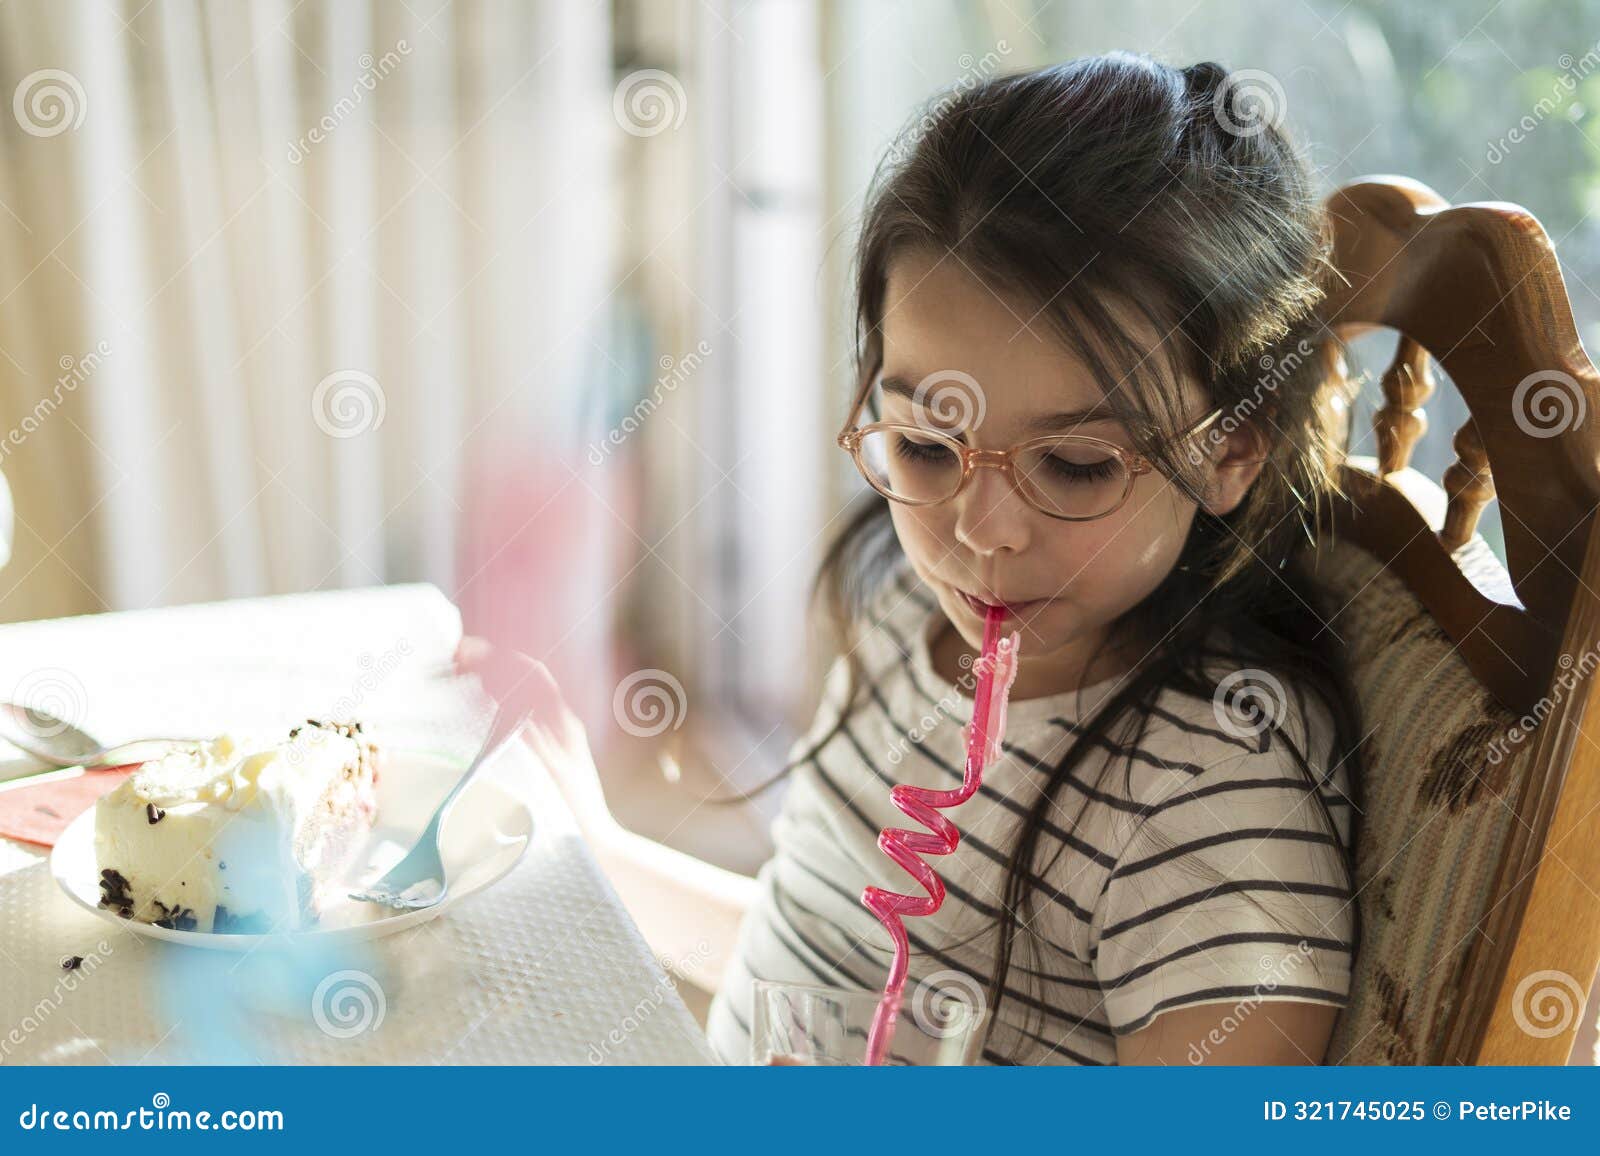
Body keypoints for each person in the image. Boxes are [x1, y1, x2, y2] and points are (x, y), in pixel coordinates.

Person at [462, 52, 1363, 1066]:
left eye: (1074, 465)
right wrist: (599, 855)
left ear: (1233, 445)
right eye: (927, 445)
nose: (980, 530)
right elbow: (812, 978)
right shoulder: (900, 616)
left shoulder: (1209, 801)